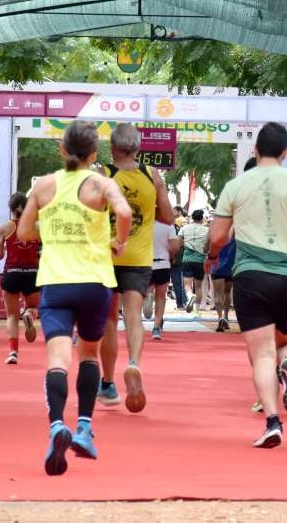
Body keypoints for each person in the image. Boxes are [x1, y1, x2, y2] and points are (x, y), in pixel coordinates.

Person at [13, 120, 132, 476]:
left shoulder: (44, 186)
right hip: (96, 282)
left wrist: (49, 230)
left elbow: (23, 231)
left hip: (56, 283)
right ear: (94, 154)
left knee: (57, 360)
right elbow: (124, 213)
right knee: (91, 354)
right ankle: (83, 428)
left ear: (61, 150)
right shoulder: (101, 183)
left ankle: (55, 427)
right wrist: (119, 241)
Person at [209, 122, 287, 448]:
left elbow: (218, 237)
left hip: (250, 276)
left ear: (254, 150)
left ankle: (272, 422)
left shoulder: (236, 186)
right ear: (285, 152)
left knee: (262, 354)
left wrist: (214, 252)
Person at [97, 123, 173, 413]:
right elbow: (167, 216)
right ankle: (134, 364)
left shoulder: (103, 175)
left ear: (112, 148)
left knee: (107, 322)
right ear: (138, 148)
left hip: (108, 256)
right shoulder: (152, 175)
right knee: (133, 316)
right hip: (140, 258)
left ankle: (107, 382)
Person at [0, 192, 42, 364]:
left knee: (11, 316)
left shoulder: (5, 228)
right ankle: (29, 314)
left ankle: (13, 352)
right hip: (31, 273)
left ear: (11, 209)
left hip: (11, 273)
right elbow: (40, 252)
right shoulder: (36, 227)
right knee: (33, 306)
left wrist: (2, 242)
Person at [147, 219, 179, 339]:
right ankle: (156, 328)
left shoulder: (145, 221)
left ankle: (148, 298)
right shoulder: (168, 224)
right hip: (163, 263)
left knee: (147, 290)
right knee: (161, 297)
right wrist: (171, 256)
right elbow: (174, 246)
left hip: (146, 263)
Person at [180, 209, 209, 312]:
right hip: (200, 260)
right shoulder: (206, 230)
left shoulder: (184, 228)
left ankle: (189, 295)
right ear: (201, 218)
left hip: (187, 259)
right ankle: (196, 310)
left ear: (192, 217)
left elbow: (179, 241)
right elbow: (209, 245)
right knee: (199, 287)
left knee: (187, 284)